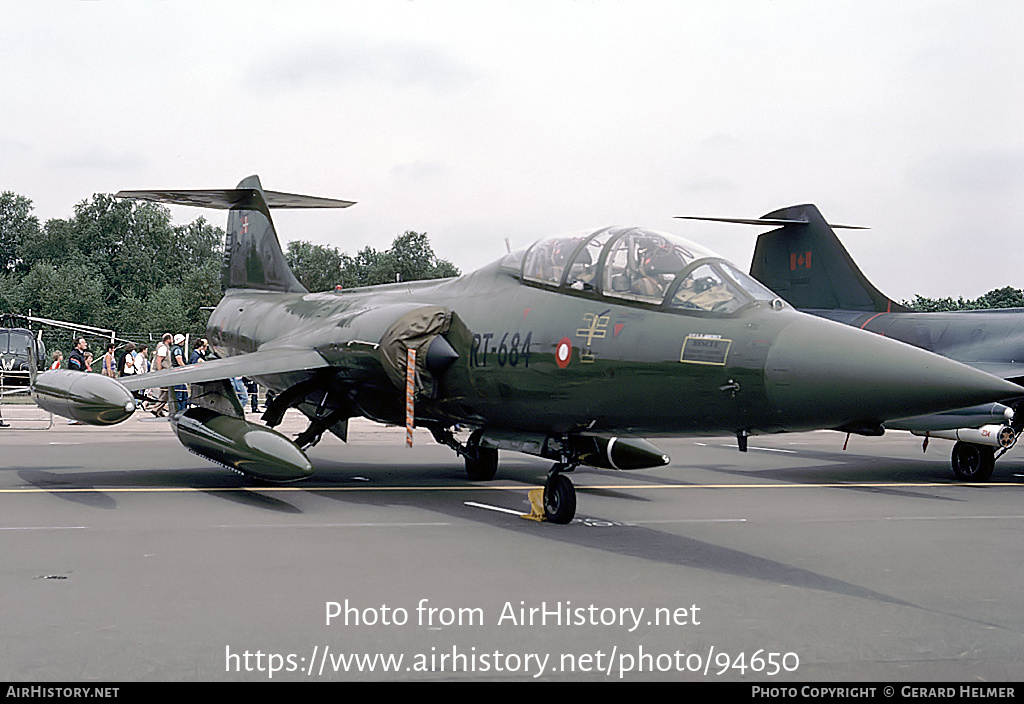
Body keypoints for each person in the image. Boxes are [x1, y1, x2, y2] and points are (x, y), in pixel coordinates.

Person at [170, 334, 188, 410]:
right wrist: (185, 368)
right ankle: (180, 411)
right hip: (179, 374)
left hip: (176, 374)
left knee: (182, 394)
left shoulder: (174, 348)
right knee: (180, 395)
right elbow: (179, 360)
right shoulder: (178, 350)